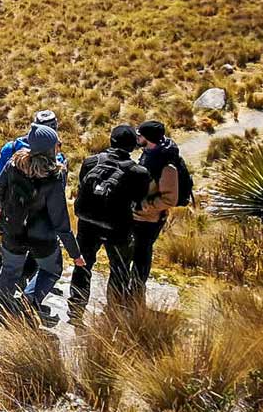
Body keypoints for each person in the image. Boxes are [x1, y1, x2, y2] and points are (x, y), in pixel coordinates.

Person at [0, 123, 86, 326]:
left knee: (9, 270)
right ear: (51, 148)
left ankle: (6, 310)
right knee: (51, 270)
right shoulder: (54, 176)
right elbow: (60, 220)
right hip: (42, 237)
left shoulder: (14, 164)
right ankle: (29, 301)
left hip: (14, 229)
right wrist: (75, 253)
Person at [68, 125, 149, 325]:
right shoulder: (139, 173)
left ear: (111, 141)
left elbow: (81, 188)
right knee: (119, 269)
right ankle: (114, 314)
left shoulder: (90, 162)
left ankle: (75, 311)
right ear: (132, 146)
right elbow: (140, 204)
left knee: (83, 265)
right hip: (118, 228)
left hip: (87, 224)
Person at [0, 110, 66, 290]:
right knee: (35, 256)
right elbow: (58, 193)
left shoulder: (12, 148)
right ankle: (25, 292)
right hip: (40, 221)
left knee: (10, 252)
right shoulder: (58, 159)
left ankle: (4, 292)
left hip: (11, 213)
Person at [133, 121, 190, 291]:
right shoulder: (149, 154)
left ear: (148, 138)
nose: (137, 138)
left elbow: (170, 199)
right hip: (139, 215)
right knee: (135, 252)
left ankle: (137, 289)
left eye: (140, 135)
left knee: (142, 254)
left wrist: (145, 206)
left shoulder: (166, 166)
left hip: (150, 218)